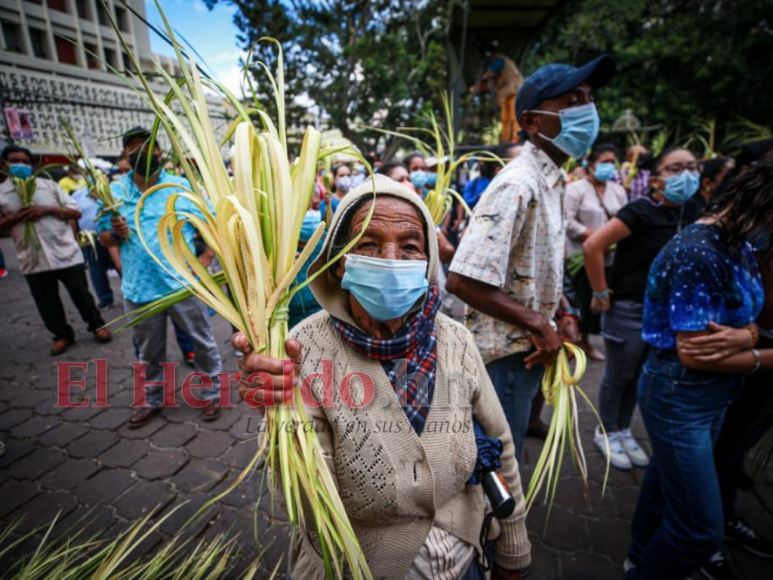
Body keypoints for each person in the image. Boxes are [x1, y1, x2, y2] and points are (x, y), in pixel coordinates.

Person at [235, 175, 532, 579]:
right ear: (339, 262)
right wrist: (278, 410)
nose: (391, 258)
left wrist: (513, 552)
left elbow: (502, 445)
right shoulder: (300, 348)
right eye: (369, 244)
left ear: (428, 263)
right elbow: (305, 502)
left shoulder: (455, 339)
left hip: (467, 557)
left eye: (410, 246)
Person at [447, 55, 616, 459]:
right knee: (497, 462)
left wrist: (562, 311)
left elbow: (533, 268)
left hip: (526, 348)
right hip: (506, 354)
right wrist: (539, 324)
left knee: (506, 446)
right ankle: (494, 522)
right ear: (531, 122)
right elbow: (462, 280)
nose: (586, 110)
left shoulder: (552, 180)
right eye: (572, 100)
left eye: (588, 98)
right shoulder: (517, 185)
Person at [625, 153, 773, 580]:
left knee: (662, 483)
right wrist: (758, 347)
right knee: (700, 531)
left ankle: (639, 555)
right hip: (681, 393)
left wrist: (749, 336)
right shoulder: (699, 252)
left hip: (712, 394)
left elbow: (744, 325)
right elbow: (696, 352)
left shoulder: (739, 243)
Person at [584, 147, 703, 471]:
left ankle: (623, 429)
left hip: (666, 312)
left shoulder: (696, 208)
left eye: (692, 166)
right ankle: (606, 429)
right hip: (628, 307)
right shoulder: (640, 211)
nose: (687, 174)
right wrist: (601, 291)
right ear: (656, 179)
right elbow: (593, 246)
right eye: (675, 168)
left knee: (640, 374)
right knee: (620, 372)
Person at [98, 127, 223, 427]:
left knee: (203, 343)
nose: (144, 154)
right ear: (126, 156)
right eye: (135, 150)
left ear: (159, 153)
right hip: (139, 288)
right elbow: (105, 238)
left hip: (183, 286)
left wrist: (204, 261)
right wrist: (114, 233)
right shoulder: (115, 193)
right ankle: (151, 399)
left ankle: (210, 394)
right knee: (148, 352)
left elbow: (211, 227)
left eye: (149, 148)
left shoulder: (180, 187)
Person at [0, 145, 111, 355]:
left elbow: (75, 211)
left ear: (32, 165)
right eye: (14, 161)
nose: (20, 165)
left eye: (24, 161)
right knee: (46, 301)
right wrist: (14, 218)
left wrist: (46, 209)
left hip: (65, 252)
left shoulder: (49, 186)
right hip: (32, 257)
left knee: (82, 294)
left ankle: (97, 325)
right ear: (4, 165)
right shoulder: (2, 193)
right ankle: (62, 335)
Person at [566, 143, 628, 361]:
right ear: (591, 165)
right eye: (605, 162)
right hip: (582, 256)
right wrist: (594, 236)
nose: (609, 167)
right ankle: (583, 342)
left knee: (607, 297)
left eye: (612, 162)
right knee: (585, 298)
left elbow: (625, 219)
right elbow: (568, 221)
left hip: (611, 256)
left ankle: (604, 338)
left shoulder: (618, 190)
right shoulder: (575, 189)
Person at [72, 183, 118, 310]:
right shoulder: (78, 195)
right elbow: (73, 216)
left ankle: (131, 296)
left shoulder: (113, 190)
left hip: (113, 236)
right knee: (96, 269)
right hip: (91, 239)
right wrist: (75, 237)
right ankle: (105, 299)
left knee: (120, 264)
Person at [471, 42, 524, 144]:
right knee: (505, 117)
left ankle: (514, 139)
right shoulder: (496, 63)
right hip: (505, 93)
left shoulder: (500, 60)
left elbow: (491, 73)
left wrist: (483, 78)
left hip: (514, 90)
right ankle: (505, 138)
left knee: (514, 116)